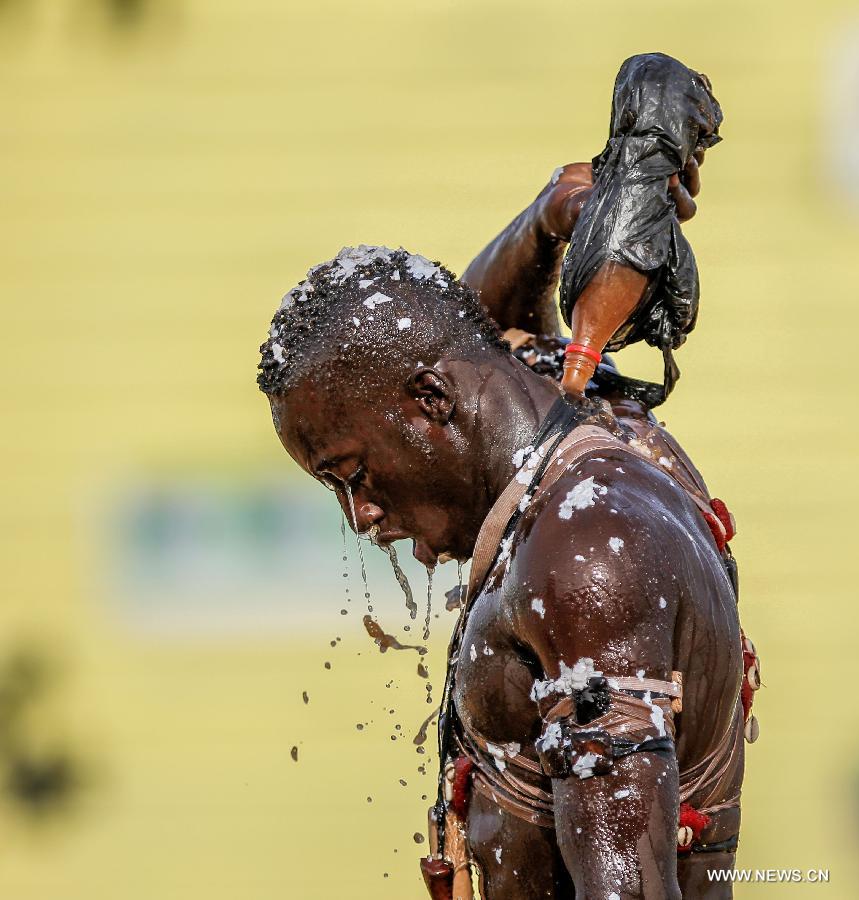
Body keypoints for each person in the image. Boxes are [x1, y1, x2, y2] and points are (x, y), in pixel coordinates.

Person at [257, 227, 757, 895]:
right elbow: (473, 331)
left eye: (353, 473)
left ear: (434, 400)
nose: (360, 517)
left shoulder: (586, 548)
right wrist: (558, 211)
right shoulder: (577, 424)